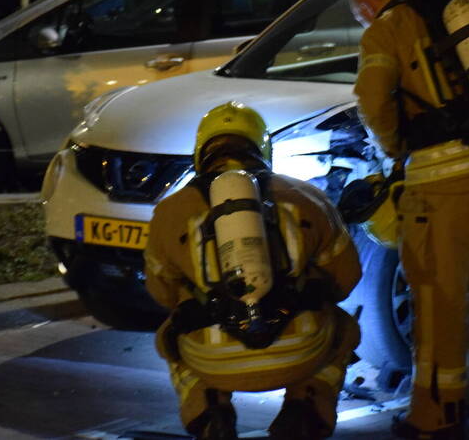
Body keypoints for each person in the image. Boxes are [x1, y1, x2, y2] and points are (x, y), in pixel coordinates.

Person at [349, 0, 469, 440]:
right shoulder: (455, 13)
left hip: (441, 184)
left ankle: (434, 415)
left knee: (437, 300)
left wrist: (393, 145)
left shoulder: (386, 28)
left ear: (367, 7)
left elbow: (372, 96)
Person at [144, 102, 361, 440]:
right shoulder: (309, 197)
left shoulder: (170, 211)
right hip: (301, 351)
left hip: (211, 360)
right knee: (344, 328)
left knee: (169, 337)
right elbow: (346, 278)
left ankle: (208, 412)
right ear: (262, 148)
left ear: (201, 152)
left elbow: (162, 293)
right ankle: (305, 411)